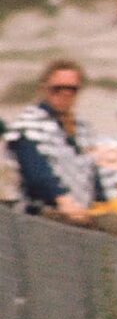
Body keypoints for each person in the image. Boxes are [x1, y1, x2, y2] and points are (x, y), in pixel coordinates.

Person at [5, 59, 103, 223]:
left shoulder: (82, 128)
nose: (65, 94)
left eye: (72, 89)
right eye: (58, 88)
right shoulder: (28, 125)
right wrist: (63, 201)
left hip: (80, 213)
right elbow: (37, 174)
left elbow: (92, 173)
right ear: (44, 88)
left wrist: (101, 203)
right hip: (40, 216)